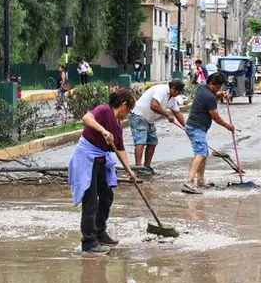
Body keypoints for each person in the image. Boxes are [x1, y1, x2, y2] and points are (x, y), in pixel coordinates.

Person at [68, 89, 136, 254]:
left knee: (106, 196)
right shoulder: (104, 110)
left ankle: (100, 232)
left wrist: (130, 171)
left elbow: (120, 150)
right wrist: (103, 130)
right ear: (124, 105)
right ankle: (89, 242)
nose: (128, 114)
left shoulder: (117, 126)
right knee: (90, 202)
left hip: (100, 163)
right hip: (86, 160)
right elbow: (86, 118)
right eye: (129, 110)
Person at [182, 72, 234, 194]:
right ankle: (188, 182)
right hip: (196, 128)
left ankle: (200, 181)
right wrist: (228, 126)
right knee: (201, 153)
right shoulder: (209, 97)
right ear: (211, 83)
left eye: (220, 87)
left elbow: (212, 95)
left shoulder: (202, 88)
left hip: (193, 126)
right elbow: (215, 117)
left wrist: (220, 94)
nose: (218, 89)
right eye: (216, 87)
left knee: (203, 153)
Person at [129, 79, 186, 175]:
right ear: (173, 88)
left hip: (149, 119)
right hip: (139, 115)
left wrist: (187, 128)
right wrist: (167, 114)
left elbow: (177, 113)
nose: (179, 94)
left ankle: (146, 167)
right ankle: (138, 167)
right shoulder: (162, 90)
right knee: (141, 141)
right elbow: (154, 105)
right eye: (179, 92)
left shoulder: (172, 99)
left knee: (153, 142)